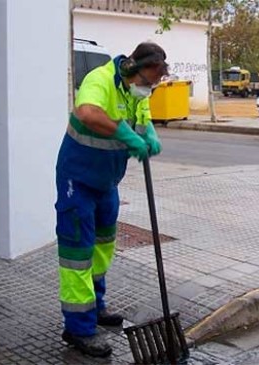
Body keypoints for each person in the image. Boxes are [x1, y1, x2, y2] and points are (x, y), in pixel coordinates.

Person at [55, 42, 167, 357]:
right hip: (77, 181)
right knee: (77, 252)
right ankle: (78, 329)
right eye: (147, 83)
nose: (149, 90)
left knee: (103, 247)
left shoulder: (138, 92)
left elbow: (142, 120)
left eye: (154, 86)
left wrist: (149, 135)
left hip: (106, 184)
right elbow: (87, 113)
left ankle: (96, 307)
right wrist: (124, 133)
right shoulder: (100, 80)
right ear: (131, 69)